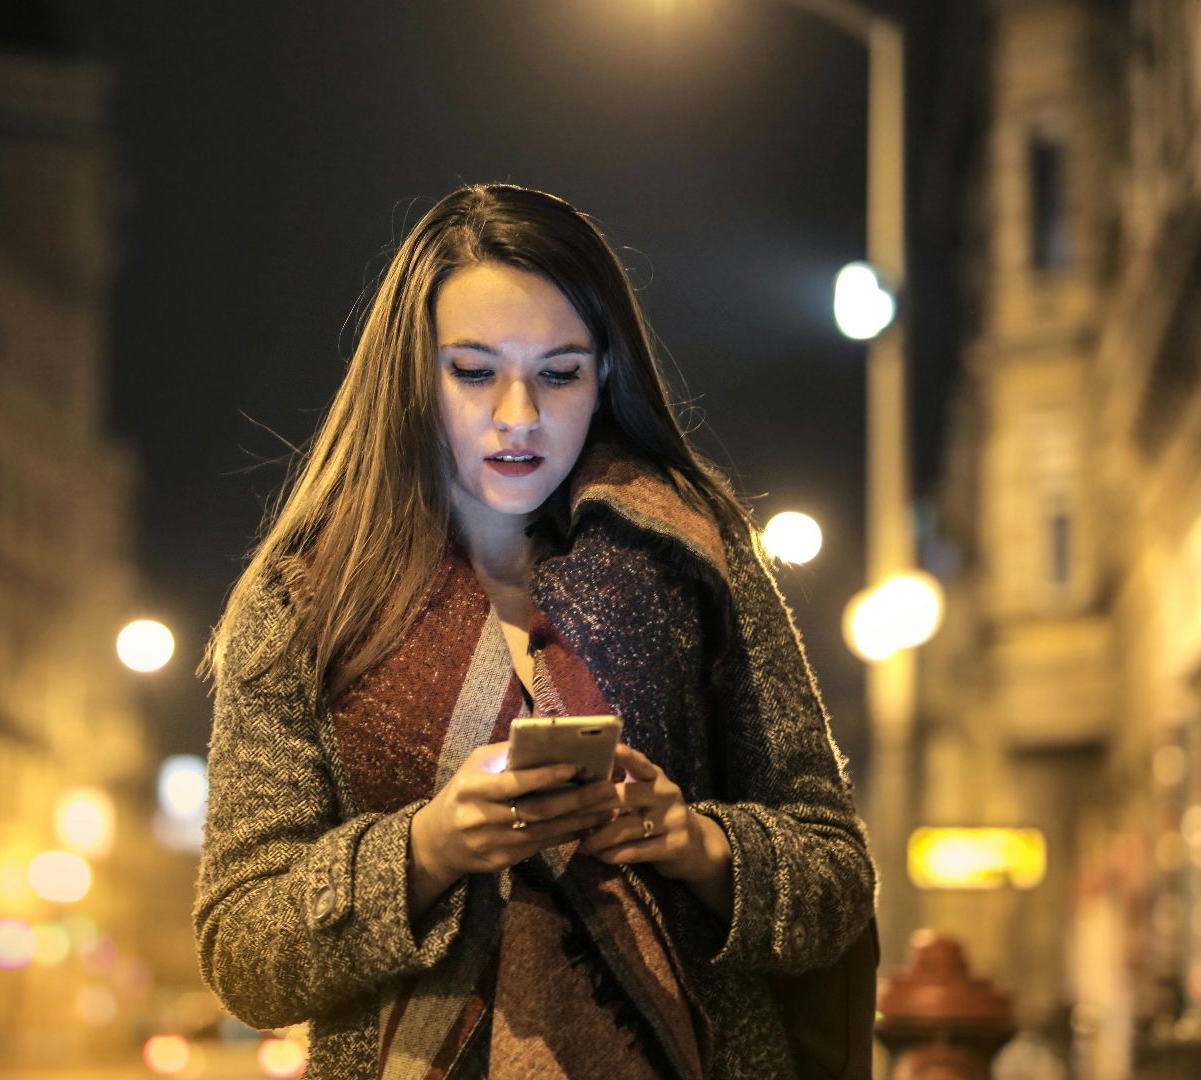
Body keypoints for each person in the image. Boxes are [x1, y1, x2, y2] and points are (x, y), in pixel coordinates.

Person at [194, 182, 876, 1079]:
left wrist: (694, 842)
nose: (518, 414)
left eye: (560, 373)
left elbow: (836, 875)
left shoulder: (695, 555)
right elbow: (242, 948)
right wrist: (426, 850)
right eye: (473, 371)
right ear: (412, 375)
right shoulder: (305, 601)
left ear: (606, 377)